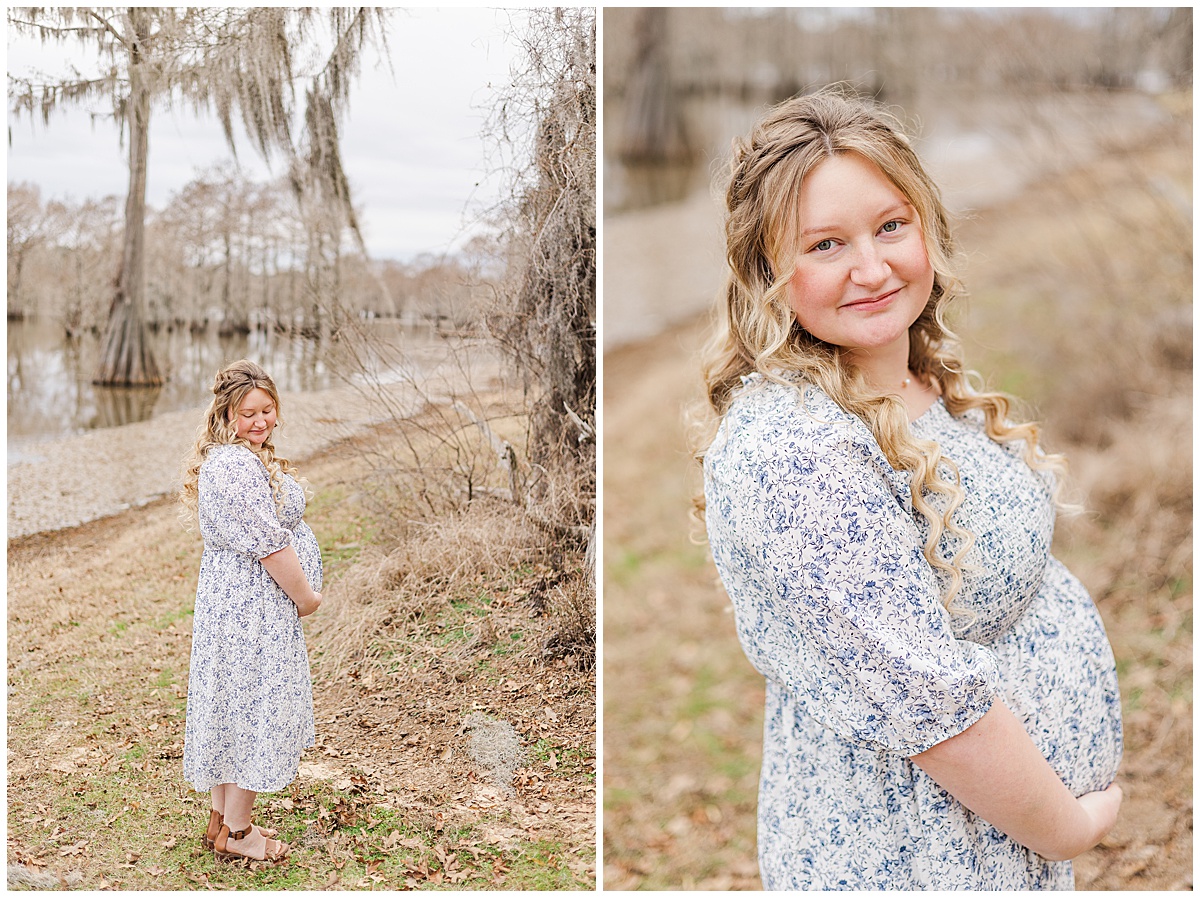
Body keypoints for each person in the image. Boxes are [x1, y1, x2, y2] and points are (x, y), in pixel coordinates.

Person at [696, 89, 1123, 889]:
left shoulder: (911, 376)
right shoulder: (796, 451)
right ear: (766, 270)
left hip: (989, 841)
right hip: (913, 856)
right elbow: (931, 704)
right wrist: (1066, 828)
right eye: (825, 244)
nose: (872, 267)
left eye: (891, 225)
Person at [179, 359, 323, 863]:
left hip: (237, 604)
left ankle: (223, 823)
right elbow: (270, 546)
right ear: (225, 415)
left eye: (267, 409)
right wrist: (306, 597)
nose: (260, 421)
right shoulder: (235, 466)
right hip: (251, 609)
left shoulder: (237, 459)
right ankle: (241, 835)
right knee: (257, 708)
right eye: (248, 413)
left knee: (234, 706)